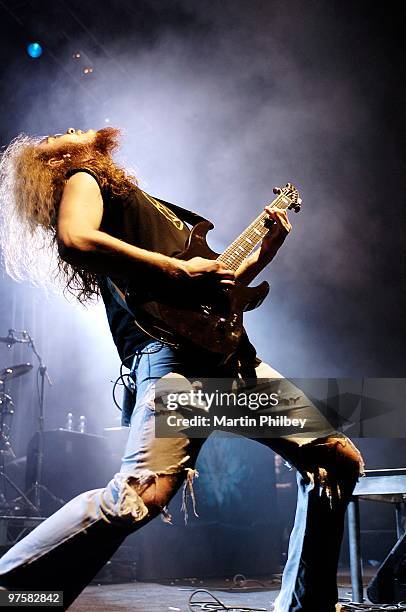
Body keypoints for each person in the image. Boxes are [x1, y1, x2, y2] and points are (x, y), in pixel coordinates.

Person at [0, 127, 364, 611]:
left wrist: (261, 255)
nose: (70, 129)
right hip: (176, 360)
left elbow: (216, 293)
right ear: (58, 161)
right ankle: (15, 592)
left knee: (335, 461)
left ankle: (308, 606)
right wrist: (179, 270)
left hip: (232, 364)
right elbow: (75, 238)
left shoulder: (143, 206)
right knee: (138, 496)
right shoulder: (83, 176)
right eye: (58, 135)